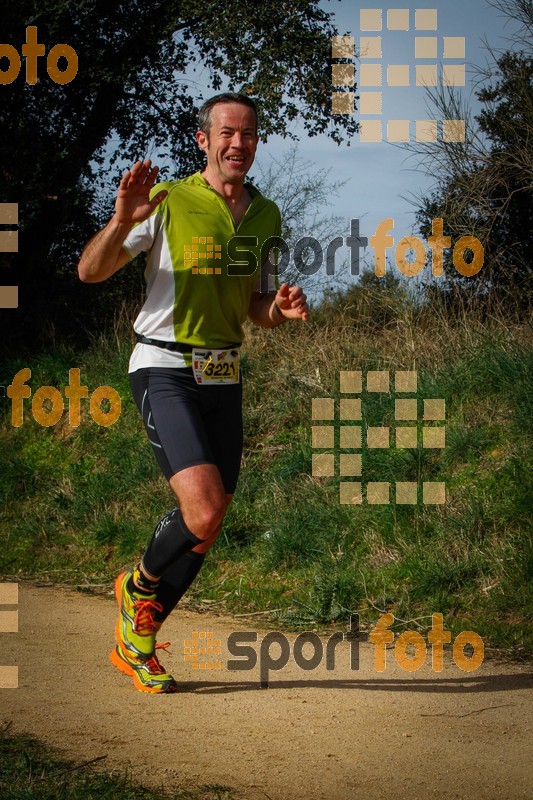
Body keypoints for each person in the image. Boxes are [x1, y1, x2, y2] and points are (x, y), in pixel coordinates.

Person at [78, 92, 308, 693]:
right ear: (203, 139)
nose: (240, 143)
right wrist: (122, 219)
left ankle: (138, 639)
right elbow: (90, 271)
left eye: (250, 134)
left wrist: (277, 311)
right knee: (200, 506)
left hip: (224, 373)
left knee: (210, 522)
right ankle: (137, 587)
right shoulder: (168, 201)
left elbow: (254, 310)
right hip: (164, 366)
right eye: (227, 133)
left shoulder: (267, 215)